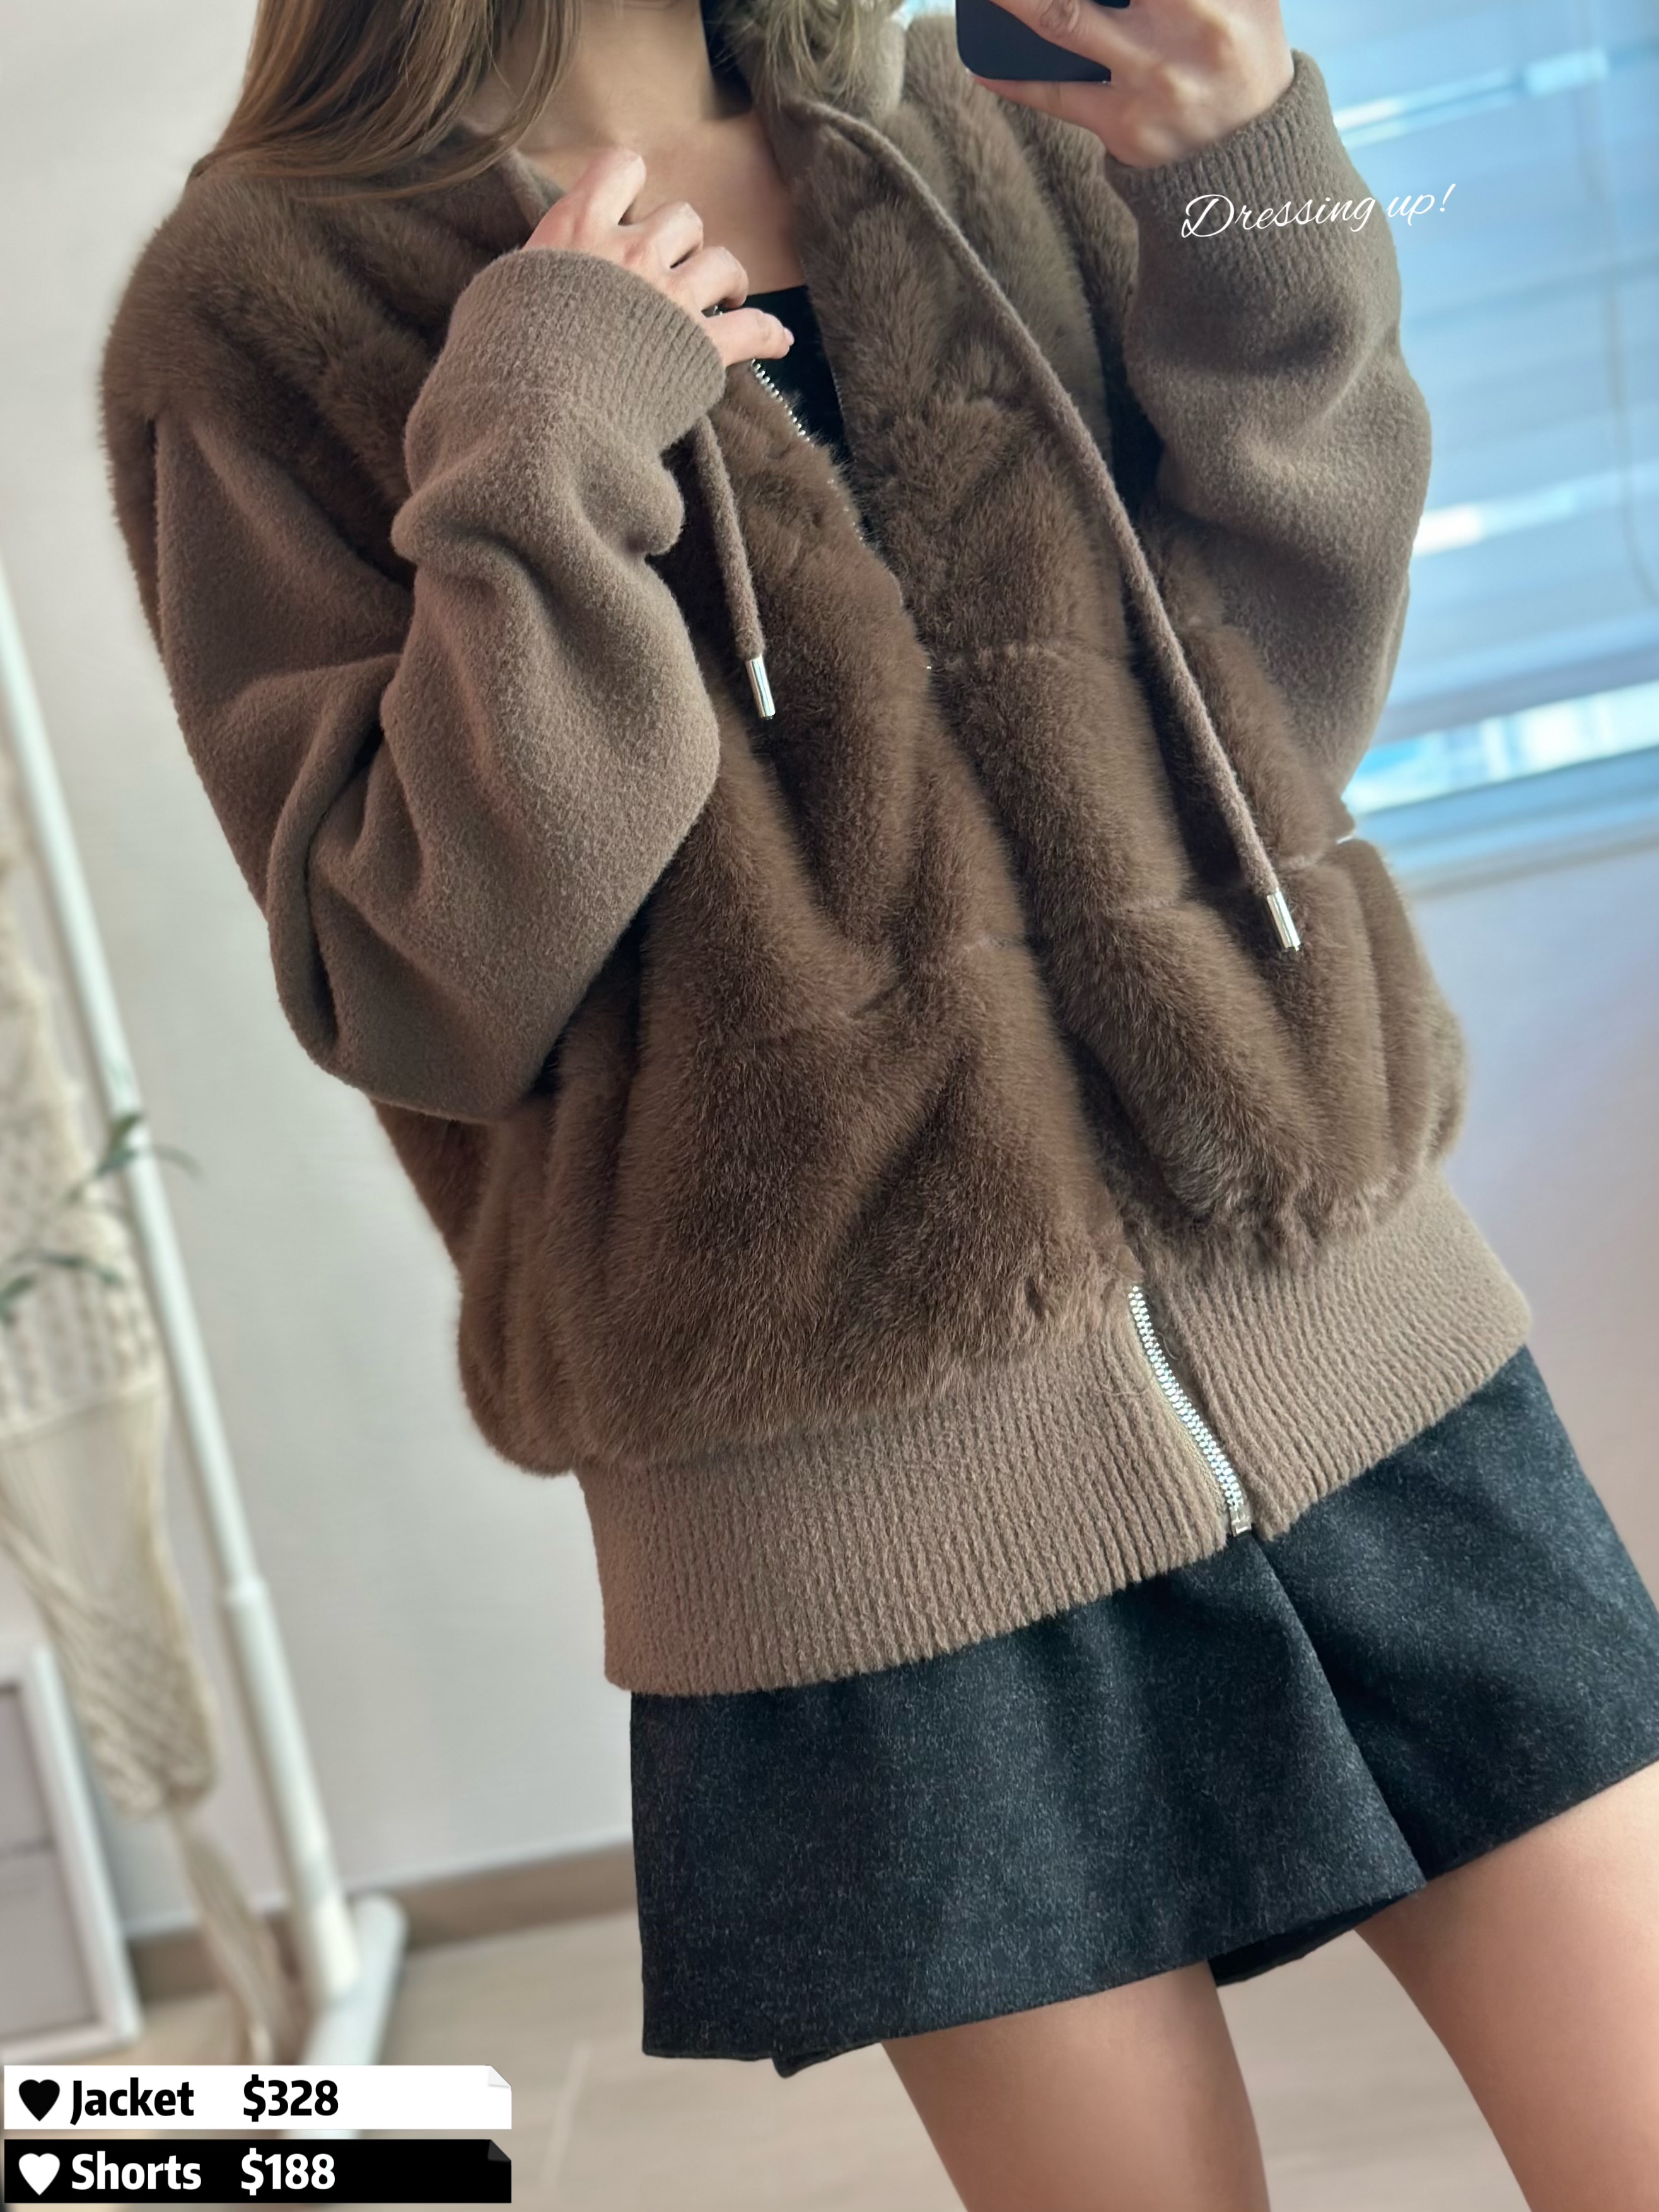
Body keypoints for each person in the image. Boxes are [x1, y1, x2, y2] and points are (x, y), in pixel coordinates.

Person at [98, 1, 1659, 2205]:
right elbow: (422, 977)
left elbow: (1273, 723)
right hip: (861, 1523)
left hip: (1365, 1352)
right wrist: (546, 441)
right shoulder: (263, 301)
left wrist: (1252, 198)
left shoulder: (974, 116)